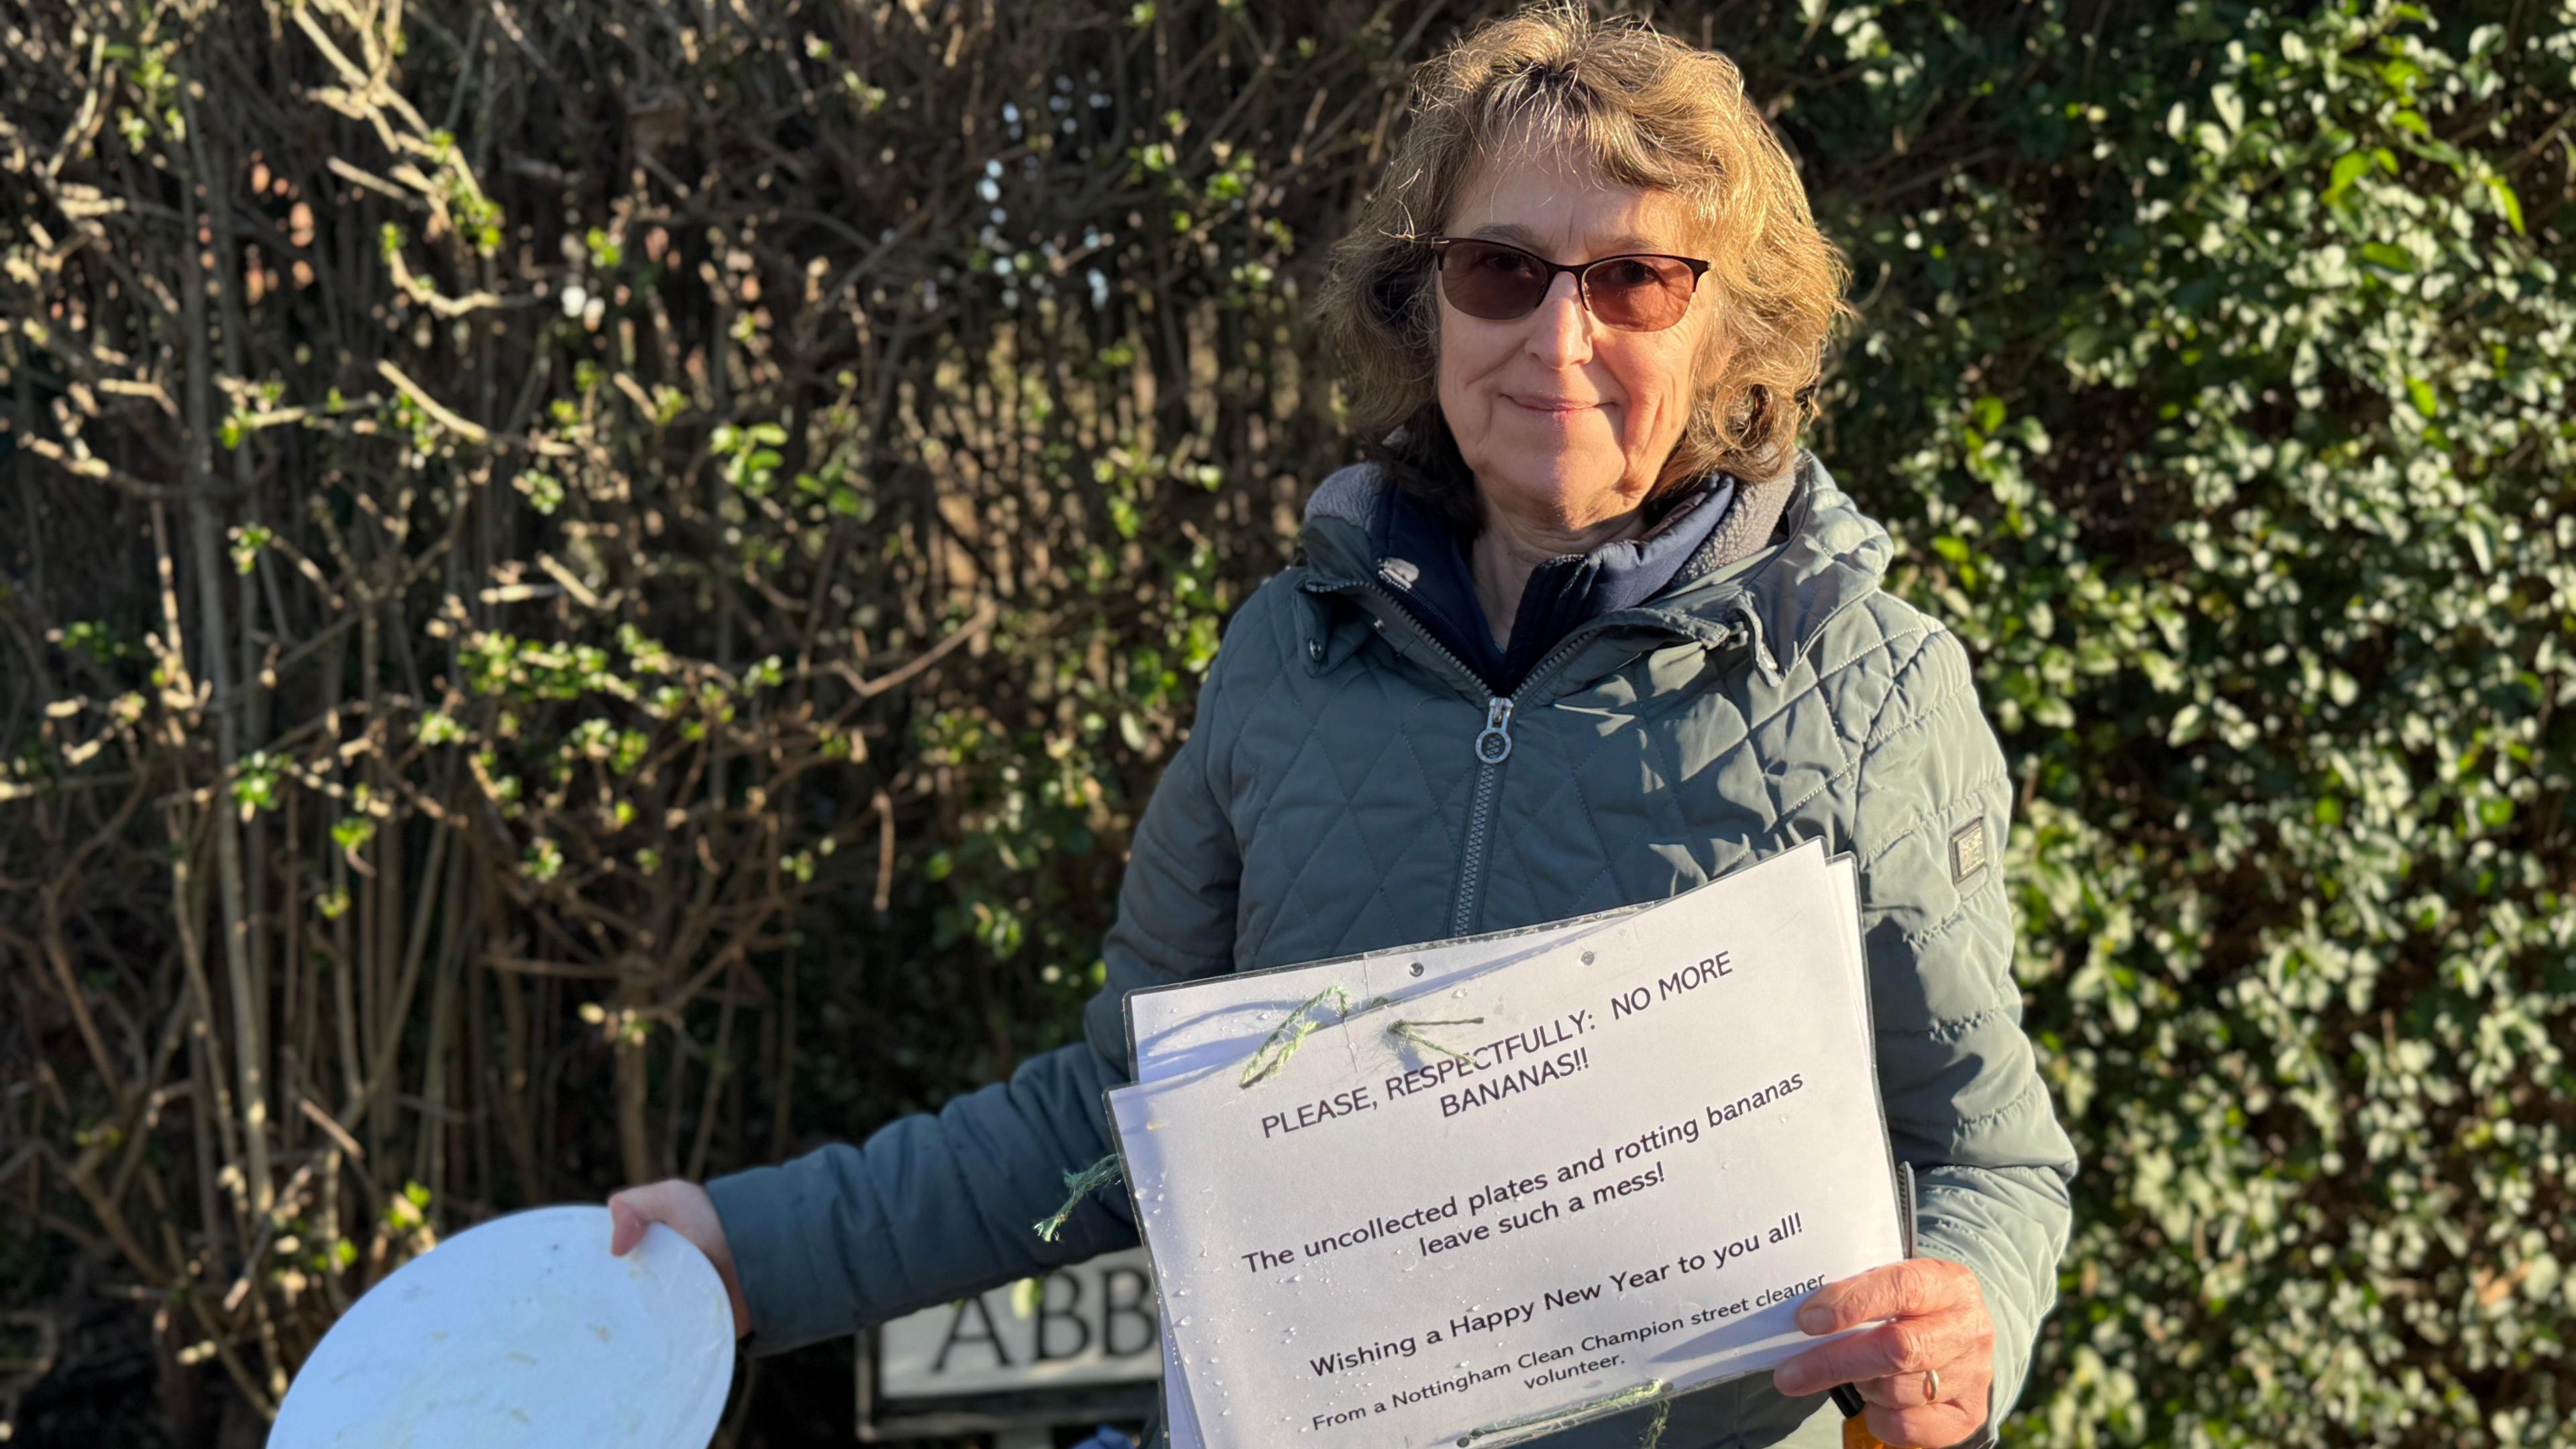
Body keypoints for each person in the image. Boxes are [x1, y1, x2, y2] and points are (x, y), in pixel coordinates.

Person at [608, 8, 2078, 1446]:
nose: (1557, 340)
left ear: (1727, 328)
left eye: (1634, 280)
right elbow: (1128, 1111)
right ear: (1422, 301)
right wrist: (750, 1251)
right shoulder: (1283, 657)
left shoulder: (1868, 686)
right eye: (1501, 269)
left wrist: (1966, 1333)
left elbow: (1991, 1159)